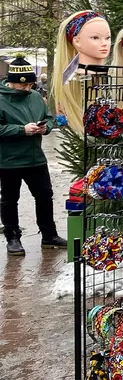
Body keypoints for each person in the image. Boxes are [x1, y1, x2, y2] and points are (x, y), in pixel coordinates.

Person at [0, 58, 65, 256]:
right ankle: (13, 238)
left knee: (45, 196)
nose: (27, 88)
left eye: (30, 84)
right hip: (9, 160)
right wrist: (21, 130)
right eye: (23, 84)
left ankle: (49, 235)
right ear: (10, 81)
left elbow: (49, 118)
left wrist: (46, 128)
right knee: (10, 200)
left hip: (36, 158)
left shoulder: (36, 96)